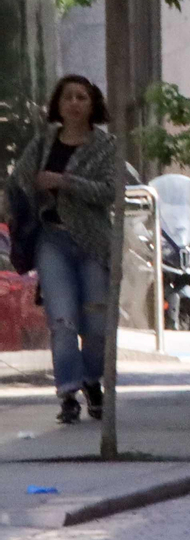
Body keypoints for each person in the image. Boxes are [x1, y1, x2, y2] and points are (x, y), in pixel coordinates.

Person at [4, 76, 118, 424]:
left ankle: (92, 381)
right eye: (67, 97)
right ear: (58, 105)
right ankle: (68, 392)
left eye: (81, 97)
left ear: (93, 104)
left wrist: (64, 182)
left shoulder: (106, 146)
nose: (74, 103)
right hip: (52, 242)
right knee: (62, 320)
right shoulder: (43, 143)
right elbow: (18, 183)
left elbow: (109, 192)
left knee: (96, 324)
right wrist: (19, 207)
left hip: (93, 244)